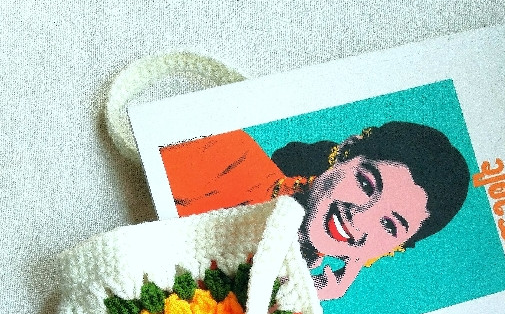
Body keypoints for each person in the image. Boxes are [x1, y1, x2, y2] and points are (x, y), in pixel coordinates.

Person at [160, 121, 470, 300]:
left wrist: (303, 292)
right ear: (345, 152)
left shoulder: (303, 293)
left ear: (395, 248)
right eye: (366, 183)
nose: (358, 218)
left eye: (389, 226)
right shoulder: (225, 153)